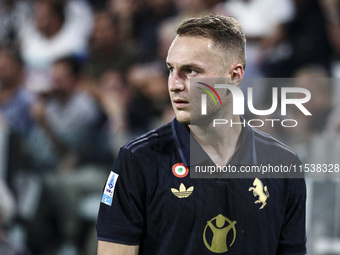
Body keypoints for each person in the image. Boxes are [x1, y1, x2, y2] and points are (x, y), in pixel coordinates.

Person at [96, 15, 306, 254]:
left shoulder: (283, 164)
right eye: (171, 69)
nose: (174, 84)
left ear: (234, 76)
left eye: (191, 71)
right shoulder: (138, 160)